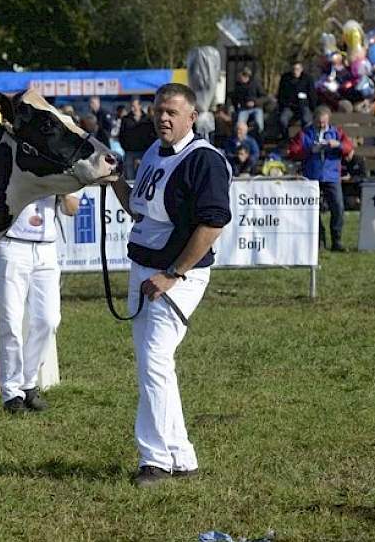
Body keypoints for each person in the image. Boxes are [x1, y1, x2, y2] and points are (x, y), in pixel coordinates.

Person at [101, 82, 232, 488]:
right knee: (153, 363)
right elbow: (141, 211)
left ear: (192, 117)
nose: (163, 117)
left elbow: (212, 225)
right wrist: (115, 180)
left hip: (176, 276)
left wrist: (173, 274)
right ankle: (181, 455)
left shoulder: (204, 160)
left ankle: (154, 460)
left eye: (172, 112)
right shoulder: (156, 152)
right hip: (146, 270)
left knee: (154, 360)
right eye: (159, 110)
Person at [0, 193, 80, 413]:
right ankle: (11, 393)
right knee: (11, 322)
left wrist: (63, 189)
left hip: (46, 247)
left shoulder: (63, 166)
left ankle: (28, 382)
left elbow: (72, 208)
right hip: (11, 245)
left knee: (49, 320)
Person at [288, 105, 353, 252]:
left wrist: (338, 145)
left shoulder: (336, 132)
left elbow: (349, 147)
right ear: (314, 120)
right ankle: (319, 240)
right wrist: (309, 149)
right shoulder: (305, 134)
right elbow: (293, 151)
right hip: (312, 176)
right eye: (319, 122)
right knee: (313, 211)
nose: (322, 125)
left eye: (324, 122)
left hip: (331, 176)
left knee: (338, 207)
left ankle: (337, 240)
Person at [120, 98, 156, 181]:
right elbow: (121, 135)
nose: (133, 108)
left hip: (144, 151)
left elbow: (152, 134)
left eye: (134, 106)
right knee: (130, 176)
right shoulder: (125, 119)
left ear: (139, 106)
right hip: (130, 152)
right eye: (131, 106)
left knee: (145, 174)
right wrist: (126, 147)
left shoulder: (147, 119)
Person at [277, 62, 316, 141]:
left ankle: (305, 139)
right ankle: (285, 139)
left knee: (307, 120)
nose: (295, 71)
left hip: (303, 105)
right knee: (283, 120)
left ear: (301, 69)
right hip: (289, 106)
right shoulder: (285, 78)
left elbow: (312, 94)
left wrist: (312, 108)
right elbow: (280, 94)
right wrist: (282, 105)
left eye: (297, 69)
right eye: (294, 69)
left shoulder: (307, 78)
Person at [231, 67, 265, 135]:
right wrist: (236, 108)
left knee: (259, 125)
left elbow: (264, 97)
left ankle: (259, 140)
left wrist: (254, 102)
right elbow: (234, 98)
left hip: (256, 108)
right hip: (244, 109)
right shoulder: (238, 86)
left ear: (245, 76)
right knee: (239, 125)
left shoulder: (255, 84)